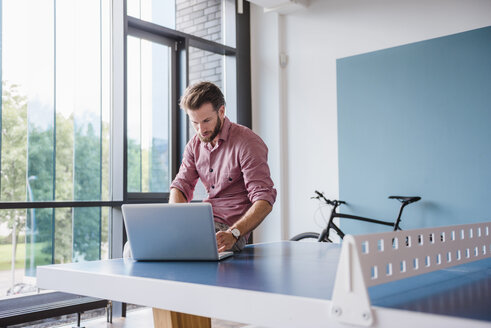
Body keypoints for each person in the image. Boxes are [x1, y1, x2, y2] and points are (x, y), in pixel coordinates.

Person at [169, 81, 277, 252]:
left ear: (221, 111)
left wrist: (234, 233)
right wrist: (175, 220)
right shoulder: (194, 145)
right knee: (133, 248)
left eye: (206, 120)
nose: (200, 130)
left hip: (229, 230)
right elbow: (181, 186)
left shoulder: (247, 142)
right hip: (203, 223)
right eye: (194, 122)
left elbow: (264, 199)